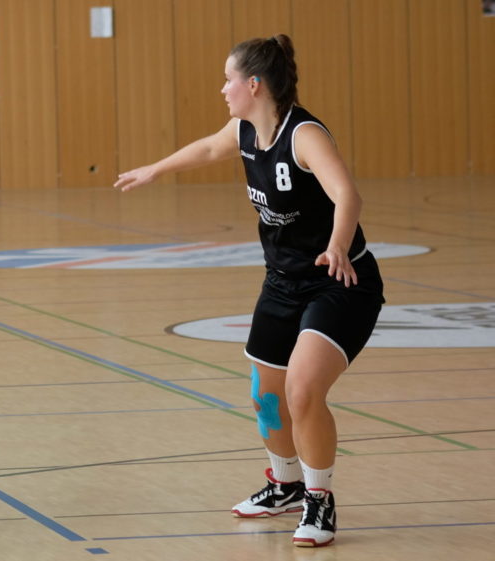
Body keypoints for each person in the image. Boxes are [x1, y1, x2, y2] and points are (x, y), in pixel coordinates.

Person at [114, 35, 384, 547]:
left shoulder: (303, 134)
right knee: (265, 397)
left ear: (253, 85)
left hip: (339, 280)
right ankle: (283, 484)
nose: (223, 89)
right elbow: (210, 147)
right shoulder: (243, 128)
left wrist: (337, 246)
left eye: (228, 79)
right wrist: (156, 168)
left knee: (303, 392)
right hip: (282, 281)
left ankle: (319, 500)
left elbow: (347, 193)